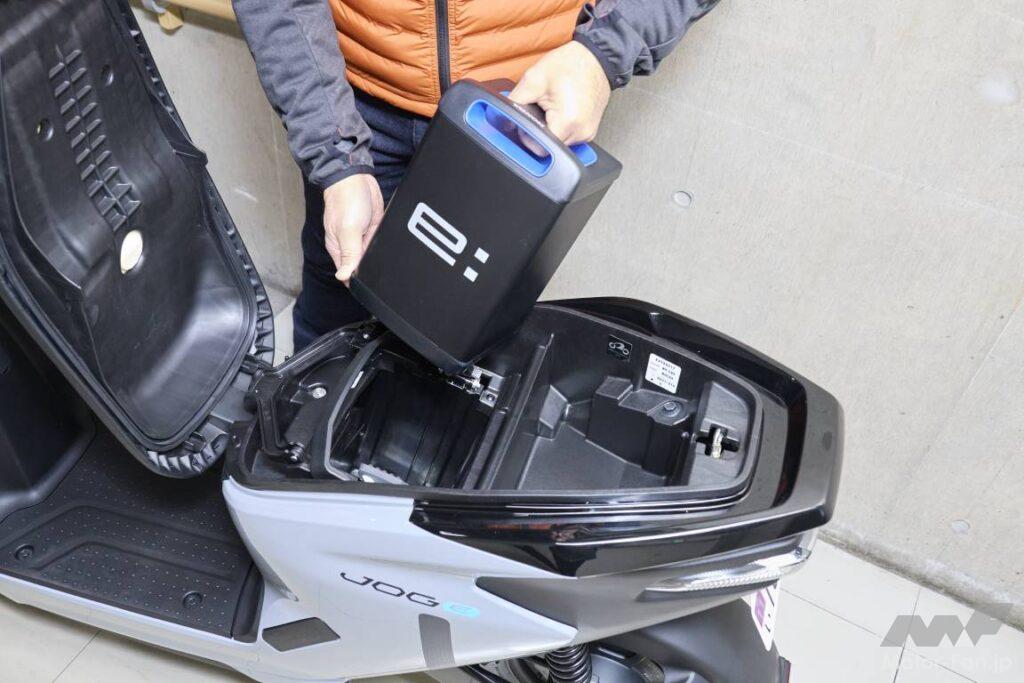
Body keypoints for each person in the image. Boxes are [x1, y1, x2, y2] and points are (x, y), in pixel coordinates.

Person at [232, 0, 719, 351]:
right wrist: (334, 152)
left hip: (526, 112)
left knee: (473, 331)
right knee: (336, 303)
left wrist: (602, 53)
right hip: (354, 105)